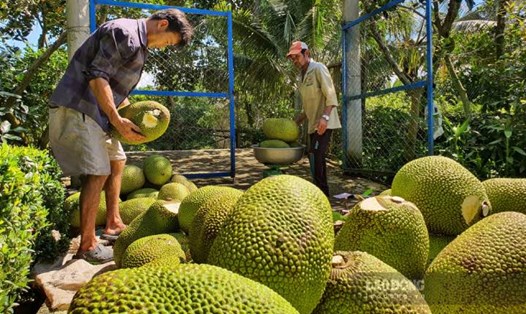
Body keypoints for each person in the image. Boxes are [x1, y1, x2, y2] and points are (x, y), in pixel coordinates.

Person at [48, 9, 193, 264]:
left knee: (118, 160)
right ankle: (88, 244)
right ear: (161, 25)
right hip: (82, 106)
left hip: (100, 113)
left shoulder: (139, 46)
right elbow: (97, 75)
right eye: (168, 41)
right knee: (98, 171)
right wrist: (116, 119)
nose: (163, 47)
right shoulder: (124, 33)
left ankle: (114, 223)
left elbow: (116, 87)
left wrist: (131, 119)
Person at [287, 41, 341, 197]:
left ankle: (322, 193)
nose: (295, 60)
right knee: (314, 155)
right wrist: (296, 122)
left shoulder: (318, 68)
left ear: (306, 53)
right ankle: (321, 190)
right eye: (292, 58)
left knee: (316, 155)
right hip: (313, 123)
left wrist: (325, 117)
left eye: (297, 56)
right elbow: (308, 106)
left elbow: (330, 95)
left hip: (325, 122)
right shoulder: (302, 76)